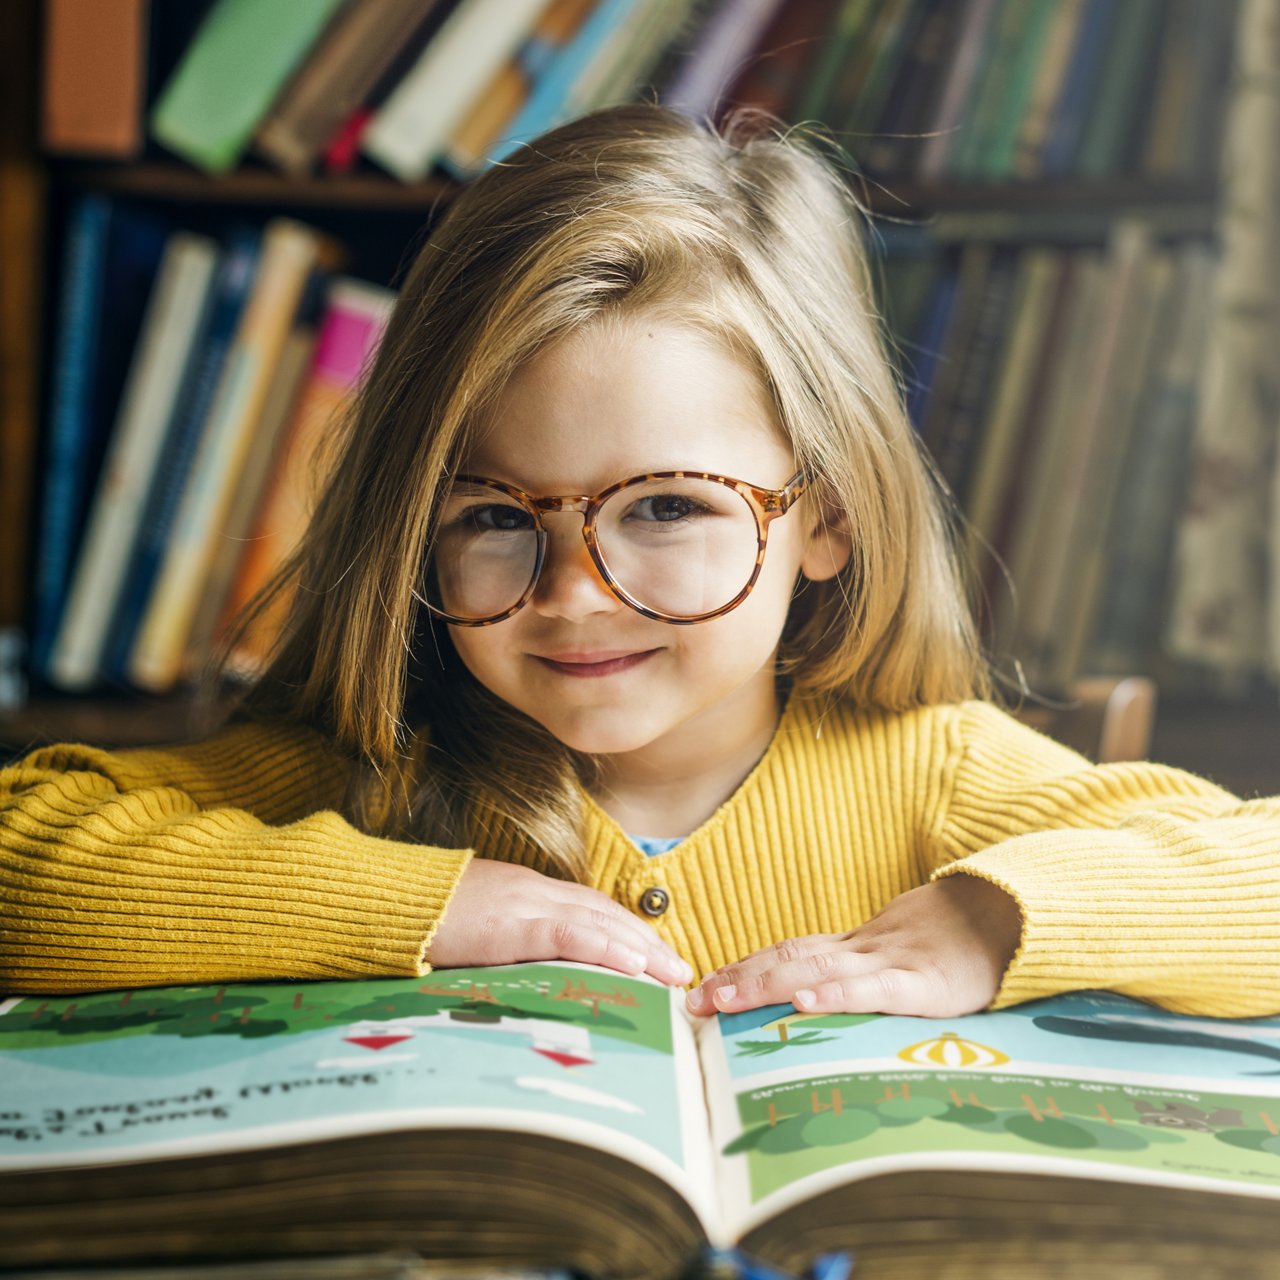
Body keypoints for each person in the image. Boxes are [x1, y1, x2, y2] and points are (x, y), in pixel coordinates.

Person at [2, 105, 1277, 1020]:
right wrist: (425, 907)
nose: (572, 594)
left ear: (822, 515)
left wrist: (990, 918)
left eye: (666, 506)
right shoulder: (379, 769)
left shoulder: (928, 771)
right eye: (494, 515)